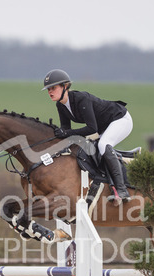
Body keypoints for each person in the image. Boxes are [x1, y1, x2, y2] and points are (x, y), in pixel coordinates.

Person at [42, 69, 133, 202]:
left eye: (53, 88)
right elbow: (66, 129)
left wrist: (66, 133)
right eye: (48, 89)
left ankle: (122, 190)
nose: (50, 92)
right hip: (105, 126)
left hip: (120, 119)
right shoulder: (60, 105)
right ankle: (111, 183)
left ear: (65, 86)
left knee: (103, 145)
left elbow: (91, 128)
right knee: (94, 150)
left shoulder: (81, 99)